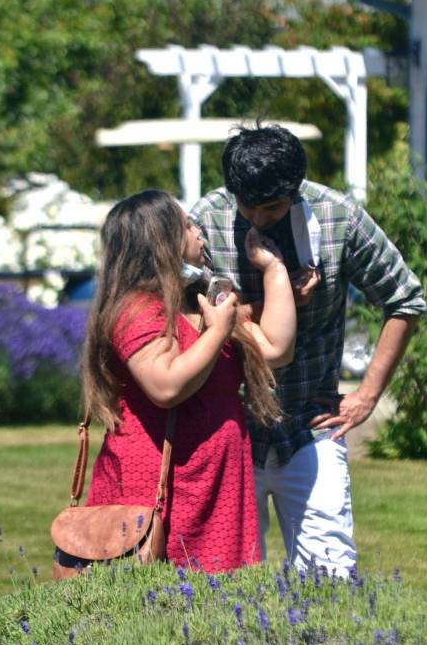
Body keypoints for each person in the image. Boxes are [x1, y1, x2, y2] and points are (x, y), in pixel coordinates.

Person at [190, 124, 427, 575]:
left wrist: (367, 397)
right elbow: (189, 315)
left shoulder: (338, 217)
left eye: (272, 208)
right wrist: (279, 298)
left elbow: (405, 298)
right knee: (224, 582)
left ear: (295, 191)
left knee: (330, 578)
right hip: (227, 428)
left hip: (311, 425)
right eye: (247, 206)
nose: (258, 219)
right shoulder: (206, 220)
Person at [79, 189, 296, 573]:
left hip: (212, 479)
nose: (199, 232)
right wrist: (218, 331)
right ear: (161, 240)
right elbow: (165, 386)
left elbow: (277, 348)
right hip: (157, 482)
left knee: (217, 596)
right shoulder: (135, 309)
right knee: (151, 593)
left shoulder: (197, 302)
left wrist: (273, 270)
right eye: (186, 225)